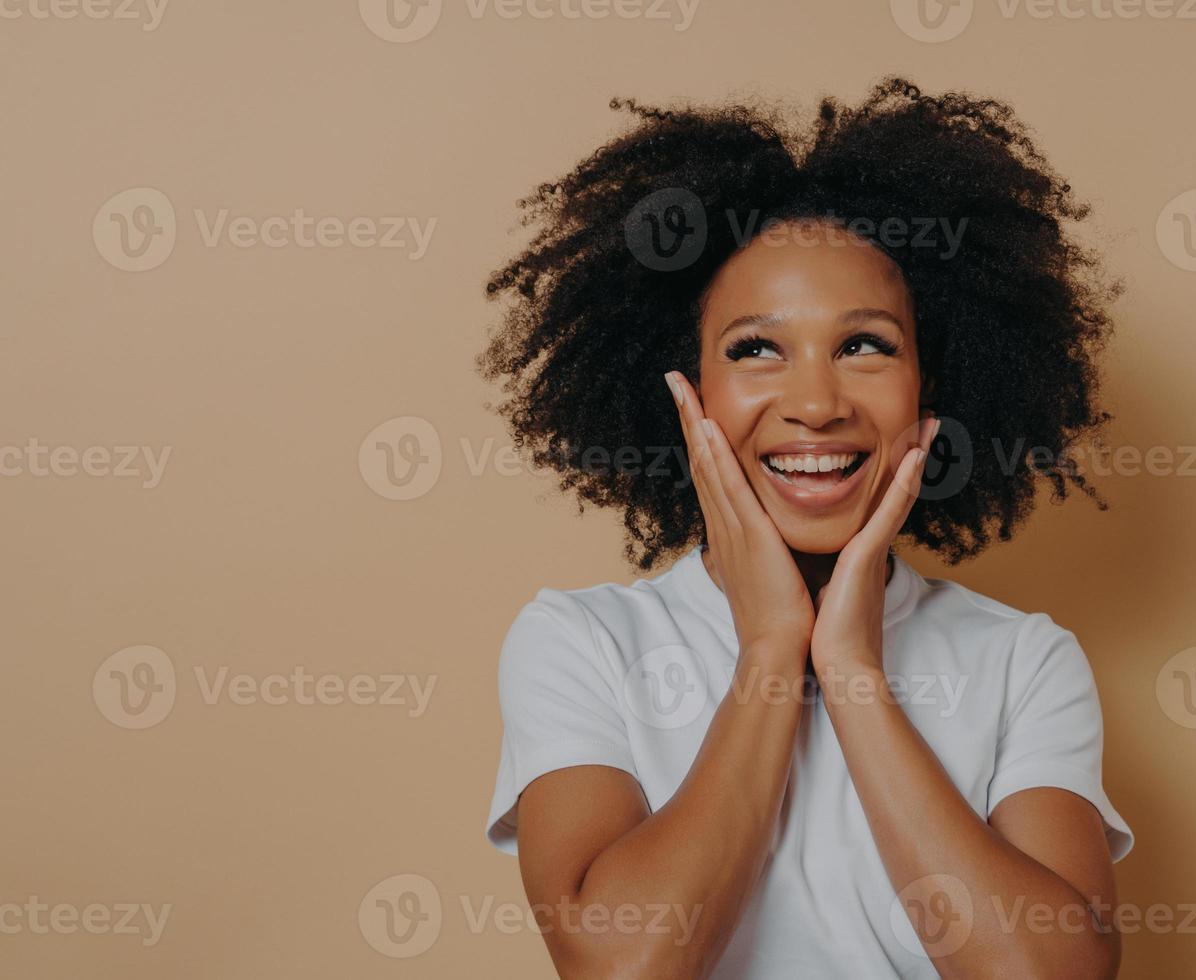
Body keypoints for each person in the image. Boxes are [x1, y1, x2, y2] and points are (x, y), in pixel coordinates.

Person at [480, 77, 1134, 979]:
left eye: (865, 344)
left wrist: (854, 671)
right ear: (687, 394)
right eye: (756, 349)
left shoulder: (1023, 660)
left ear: (929, 389)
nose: (818, 405)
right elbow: (622, 965)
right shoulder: (581, 642)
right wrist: (768, 652)